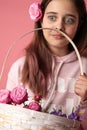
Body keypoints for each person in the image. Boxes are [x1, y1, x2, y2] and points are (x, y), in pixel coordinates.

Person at [6, 0, 87, 129]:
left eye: (69, 20)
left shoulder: (84, 68)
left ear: (79, 23)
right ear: (41, 19)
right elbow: (7, 120)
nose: (59, 26)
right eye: (52, 17)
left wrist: (85, 100)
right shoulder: (20, 67)